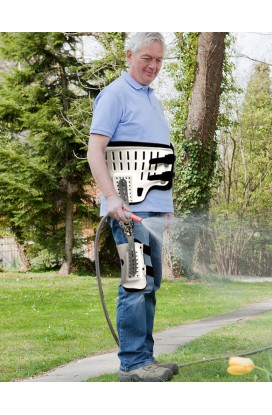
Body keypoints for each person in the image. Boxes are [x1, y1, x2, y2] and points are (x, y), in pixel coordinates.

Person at [87, 32, 178, 382]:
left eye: (158, 60)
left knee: (149, 284)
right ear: (129, 55)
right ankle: (132, 365)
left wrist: (166, 205)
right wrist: (112, 198)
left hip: (152, 209)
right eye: (146, 59)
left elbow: (158, 156)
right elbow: (96, 151)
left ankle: (145, 359)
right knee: (135, 283)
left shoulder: (153, 99)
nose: (153, 66)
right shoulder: (115, 95)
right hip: (127, 210)